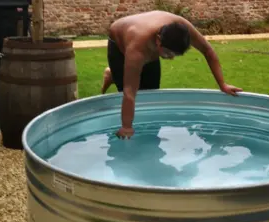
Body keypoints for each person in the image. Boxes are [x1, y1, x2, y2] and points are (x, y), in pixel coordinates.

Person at [100, 10, 243, 139]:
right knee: (129, 86)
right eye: (169, 53)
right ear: (158, 40)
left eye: (175, 54)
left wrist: (222, 84)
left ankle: (112, 75)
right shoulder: (137, 49)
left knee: (150, 94)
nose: (171, 58)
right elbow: (129, 93)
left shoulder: (182, 27)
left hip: (149, 41)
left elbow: (208, 51)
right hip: (120, 42)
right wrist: (126, 127)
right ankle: (113, 75)